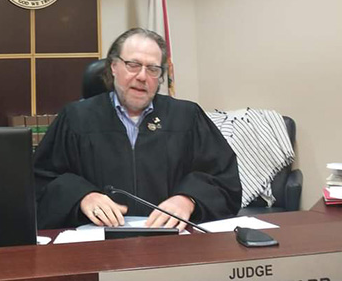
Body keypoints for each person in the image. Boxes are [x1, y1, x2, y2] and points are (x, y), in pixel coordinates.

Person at [34, 28, 242, 230]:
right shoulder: (76, 118)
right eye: (133, 65)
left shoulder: (187, 117)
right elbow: (40, 181)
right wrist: (82, 196)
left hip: (173, 242)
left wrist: (188, 200)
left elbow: (223, 179)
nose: (142, 76)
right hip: (97, 244)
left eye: (152, 69)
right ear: (113, 67)